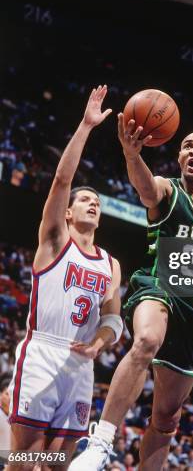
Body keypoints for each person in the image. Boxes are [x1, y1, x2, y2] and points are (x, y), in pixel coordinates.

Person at [69, 122, 193, 471]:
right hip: (157, 287)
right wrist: (132, 156)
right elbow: (146, 189)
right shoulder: (167, 188)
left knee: (166, 417)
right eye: (188, 145)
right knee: (146, 339)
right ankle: (101, 440)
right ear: (178, 156)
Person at [8, 86, 122, 470]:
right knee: (26, 459)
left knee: (57, 463)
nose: (93, 202)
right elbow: (61, 180)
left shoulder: (110, 263)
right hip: (42, 351)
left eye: (98, 201)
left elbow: (113, 319)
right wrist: (87, 127)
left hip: (80, 364)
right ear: (68, 214)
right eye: (85, 199)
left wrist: (99, 344)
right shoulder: (55, 241)